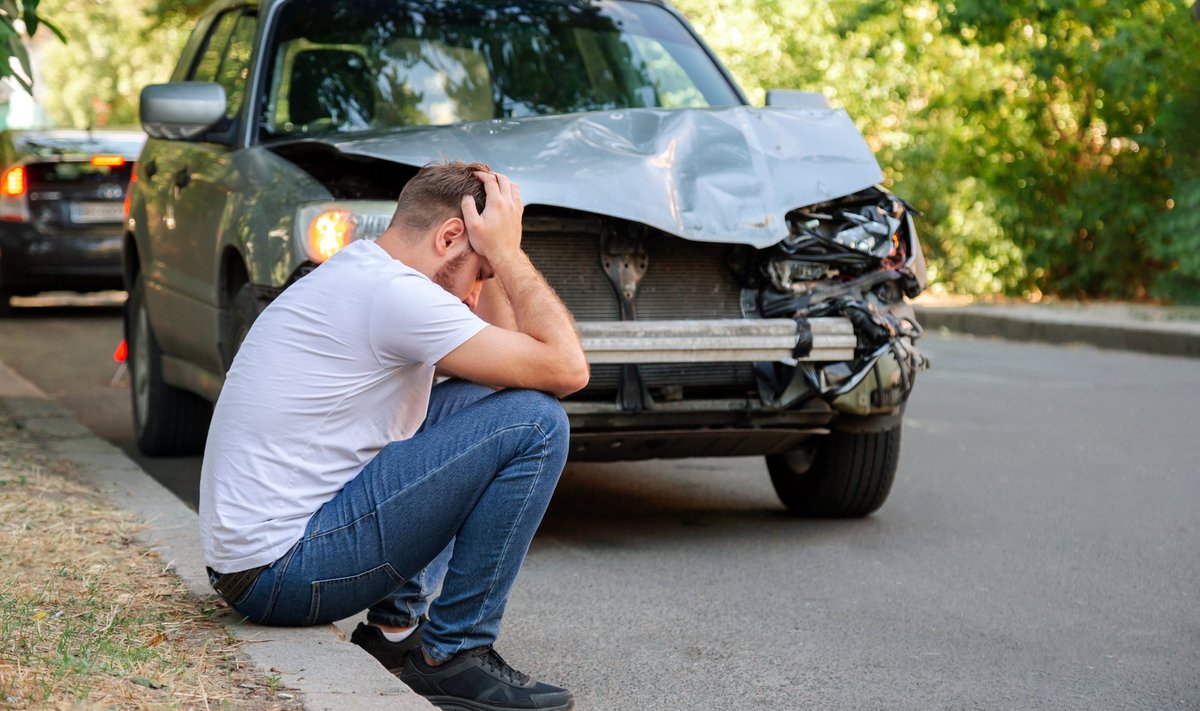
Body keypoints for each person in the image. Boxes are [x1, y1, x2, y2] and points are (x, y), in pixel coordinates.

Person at [198, 161, 589, 711]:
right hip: (278, 572)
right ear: (450, 236)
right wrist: (507, 251)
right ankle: (453, 656)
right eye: (478, 273)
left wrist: (492, 257)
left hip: (259, 561)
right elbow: (567, 369)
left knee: (490, 404)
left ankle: (394, 634)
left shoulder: (367, 274)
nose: (475, 296)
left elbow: (514, 363)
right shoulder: (396, 297)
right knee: (536, 424)